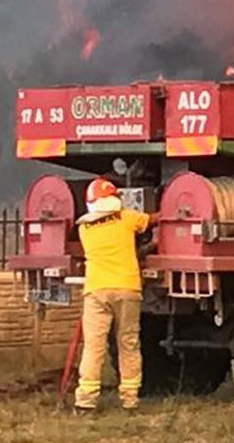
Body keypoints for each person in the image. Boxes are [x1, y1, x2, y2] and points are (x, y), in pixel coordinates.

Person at [74, 177, 157, 414]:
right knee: (128, 343)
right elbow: (151, 220)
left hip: (96, 291)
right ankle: (130, 400)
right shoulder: (127, 218)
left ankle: (85, 401)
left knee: (93, 346)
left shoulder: (84, 228)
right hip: (127, 289)